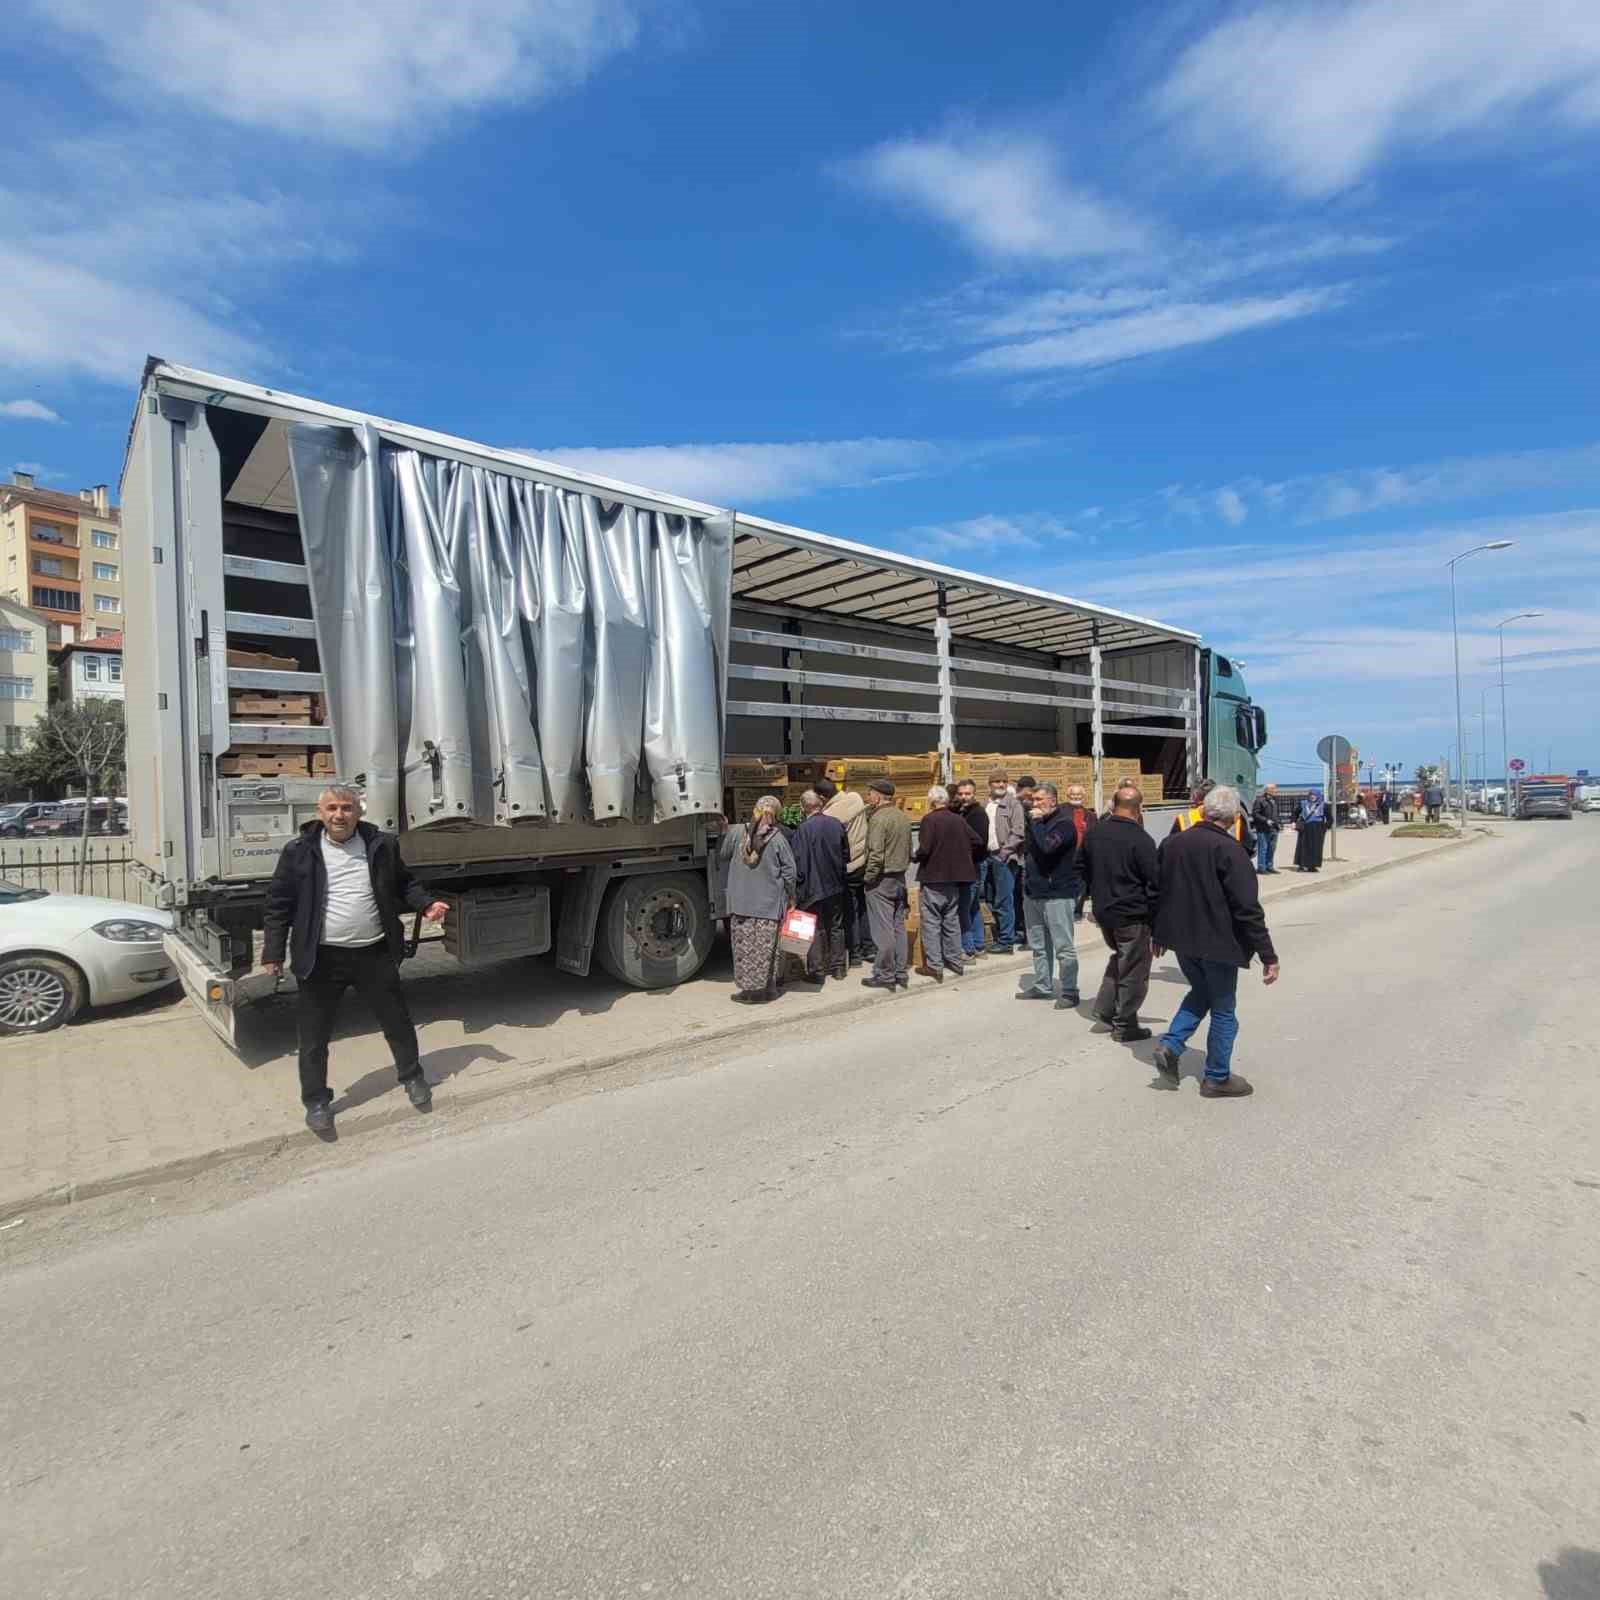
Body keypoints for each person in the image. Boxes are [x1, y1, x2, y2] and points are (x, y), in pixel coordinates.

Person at [263, 784, 450, 1137]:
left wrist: (426, 903)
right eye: (332, 808)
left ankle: (412, 1077)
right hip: (321, 959)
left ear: (359, 812)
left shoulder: (381, 845)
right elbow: (278, 905)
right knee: (314, 1037)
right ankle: (317, 1101)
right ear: (320, 813)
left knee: (397, 1021)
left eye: (346, 808)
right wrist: (272, 952)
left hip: (373, 953)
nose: (339, 815)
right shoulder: (299, 852)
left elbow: (405, 884)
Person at [1151, 784, 1281, 1098]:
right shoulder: (1231, 851)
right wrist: (1268, 955)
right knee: (1223, 1009)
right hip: (1218, 943)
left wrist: (1158, 933)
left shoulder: (1172, 844)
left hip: (1183, 940)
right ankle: (1217, 1077)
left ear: (1204, 810)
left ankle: (1170, 1045)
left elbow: (1156, 891)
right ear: (1235, 816)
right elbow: (1247, 908)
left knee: (1201, 992)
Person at [1082, 782, 1159, 1043]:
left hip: (1105, 911)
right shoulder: (1141, 839)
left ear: (1113, 805)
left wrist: (1095, 894)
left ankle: (1104, 1011)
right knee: (1134, 968)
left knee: (1121, 958)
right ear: (1139, 809)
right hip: (1132, 914)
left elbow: (1080, 867)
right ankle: (1125, 1023)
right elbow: (1154, 882)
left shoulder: (1095, 833)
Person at [719, 794, 797, 1003]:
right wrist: (791, 897)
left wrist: (725, 831)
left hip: (741, 904)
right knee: (767, 950)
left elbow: (723, 854)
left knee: (744, 951)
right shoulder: (778, 838)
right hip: (768, 905)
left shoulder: (737, 833)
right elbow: (790, 872)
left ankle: (750, 993)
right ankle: (768, 990)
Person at [1016, 781, 1082, 1009]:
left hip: (1057, 894)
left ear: (1052, 801)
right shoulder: (1038, 823)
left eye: (1039, 800)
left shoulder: (1064, 825)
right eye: (1032, 800)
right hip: (1034, 893)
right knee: (1038, 945)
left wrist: (1035, 822)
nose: (1034, 804)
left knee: (1063, 946)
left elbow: (1047, 847)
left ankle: (1070, 991)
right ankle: (1042, 985)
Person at [911, 784, 978, 981]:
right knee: (951, 921)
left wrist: (915, 857)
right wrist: (960, 854)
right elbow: (977, 841)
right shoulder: (958, 820)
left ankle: (935, 966)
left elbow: (925, 849)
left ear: (931, 801)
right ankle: (955, 961)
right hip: (954, 878)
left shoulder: (929, 820)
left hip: (934, 877)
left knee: (932, 923)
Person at [791, 789, 849, 983]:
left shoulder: (803, 829)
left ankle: (817, 971)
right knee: (836, 926)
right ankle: (838, 967)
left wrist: (796, 888)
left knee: (815, 928)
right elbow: (845, 855)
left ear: (803, 808)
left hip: (812, 888)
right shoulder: (836, 824)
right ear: (820, 804)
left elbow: (798, 863)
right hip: (836, 885)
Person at [861, 779, 913, 991]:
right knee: (898, 927)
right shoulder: (902, 816)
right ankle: (900, 972)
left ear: (878, 796)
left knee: (883, 931)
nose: (868, 797)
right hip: (899, 878)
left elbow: (875, 854)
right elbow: (909, 849)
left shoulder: (879, 819)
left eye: (870, 793)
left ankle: (885, 974)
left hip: (881, 879)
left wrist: (869, 877)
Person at [818, 777, 873, 967]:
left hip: (848, 867)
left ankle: (856, 954)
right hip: (863, 862)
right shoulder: (856, 798)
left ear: (822, 797)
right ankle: (869, 948)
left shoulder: (830, 814)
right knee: (863, 907)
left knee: (850, 911)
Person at [982, 770, 1026, 955]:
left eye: (1003, 781)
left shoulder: (1013, 804)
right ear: (990, 784)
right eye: (996, 781)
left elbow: (1018, 832)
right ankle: (1008, 933)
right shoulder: (987, 804)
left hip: (1005, 858)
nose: (1000, 784)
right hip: (988, 856)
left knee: (1004, 900)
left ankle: (1006, 941)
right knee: (991, 898)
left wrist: (1004, 853)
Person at [952, 778, 990, 960]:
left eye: (967, 793)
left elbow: (979, 842)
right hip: (971, 865)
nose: (964, 797)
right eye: (960, 794)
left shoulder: (977, 814)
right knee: (973, 907)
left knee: (964, 907)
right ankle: (979, 945)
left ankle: (968, 948)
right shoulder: (961, 811)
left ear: (974, 794)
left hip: (973, 866)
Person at [1064, 782, 1096, 920]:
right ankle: (1066, 911)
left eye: (1079, 794)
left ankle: (1077, 911)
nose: (1076, 796)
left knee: (1081, 884)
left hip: (1083, 855)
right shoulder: (1060, 811)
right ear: (1068, 795)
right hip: (1065, 855)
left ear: (1083, 796)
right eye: (1073, 794)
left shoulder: (1090, 815)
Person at [1011, 775, 1036, 940]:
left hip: (1029, 857)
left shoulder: (1035, 808)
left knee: (1026, 895)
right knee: (1017, 894)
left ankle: (1029, 934)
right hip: (1019, 856)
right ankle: (1022, 929)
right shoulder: (1016, 805)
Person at [1292, 789, 1329, 871]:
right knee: (1302, 847)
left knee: (1315, 848)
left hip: (1317, 829)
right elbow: (1295, 813)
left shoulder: (1323, 805)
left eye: (1314, 795)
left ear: (1318, 796)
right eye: (1311, 795)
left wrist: (1325, 828)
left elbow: (1330, 819)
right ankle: (1301, 865)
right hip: (1305, 828)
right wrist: (1293, 822)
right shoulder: (1303, 803)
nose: (1312, 796)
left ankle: (1312, 866)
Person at [1250, 784, 1281, 873]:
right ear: (1267, 790)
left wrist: (1279, 823)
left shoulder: (1275, 800)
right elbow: (1255, 814)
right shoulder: (1260, 800)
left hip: (1274, 828)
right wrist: (1266, 820)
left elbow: (1276, 814)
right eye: (1273, 789)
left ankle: (1269, 866)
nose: (1275, 791)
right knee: (1263, 848)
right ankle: (1261, 868)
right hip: (1263, 829)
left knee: (1272, 848)